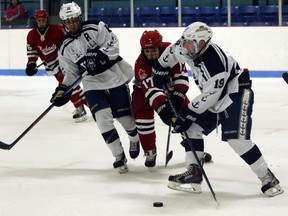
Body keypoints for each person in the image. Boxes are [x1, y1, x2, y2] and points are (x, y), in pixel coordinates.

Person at [152, 21, 284, 197]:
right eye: (185, 41)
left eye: (191, 43)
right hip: (214, 96)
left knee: (236, 140)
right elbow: (171, 52)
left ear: (202, 44)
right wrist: (159, 70)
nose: (186, 46)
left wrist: (186, 113)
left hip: (234, 94)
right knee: (190, 129)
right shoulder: (185, 47)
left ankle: (268, 177)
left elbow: (210, 96)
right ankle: (194, 173)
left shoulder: (216, 64)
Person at [50, 2, 140, 174]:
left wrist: (99, 57)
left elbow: (113, 44)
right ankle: (118, 155)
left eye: (75, 20)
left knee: (125, 119)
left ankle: (134, 138)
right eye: (68, 22)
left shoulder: (95, 27)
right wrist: (62, 90)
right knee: (102, 118)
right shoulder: (64, 47)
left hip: (113, 77)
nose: (72, 24)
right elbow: (70, 73)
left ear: (80, 18)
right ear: (64, 23)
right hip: (92, 84)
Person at [132, 30, 212, 167]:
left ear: (160, 47)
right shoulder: (140, 64)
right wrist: (162, 108)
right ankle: (150, 150)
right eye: (147, 51)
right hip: (143, 92)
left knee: (186, 118)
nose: (151, 54)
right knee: (142, 120)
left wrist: (178, 96)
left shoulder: (172, 52)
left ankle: (194, 151)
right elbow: (151, 90)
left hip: (171, 88)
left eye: (154, 50)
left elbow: (181, 76)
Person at [26, 9, 87, 123]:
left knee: (67, 85)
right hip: (51, 66)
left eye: (43, 20)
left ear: (47, 19)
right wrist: (31, 63)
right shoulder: (32, 35)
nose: (42, 23)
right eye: (39, 20)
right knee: (74, 85)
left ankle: (80, 108)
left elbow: (69, 40)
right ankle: (94, 106)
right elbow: (32, 51)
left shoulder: (58, 29)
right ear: (36, 21)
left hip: (64, 61)